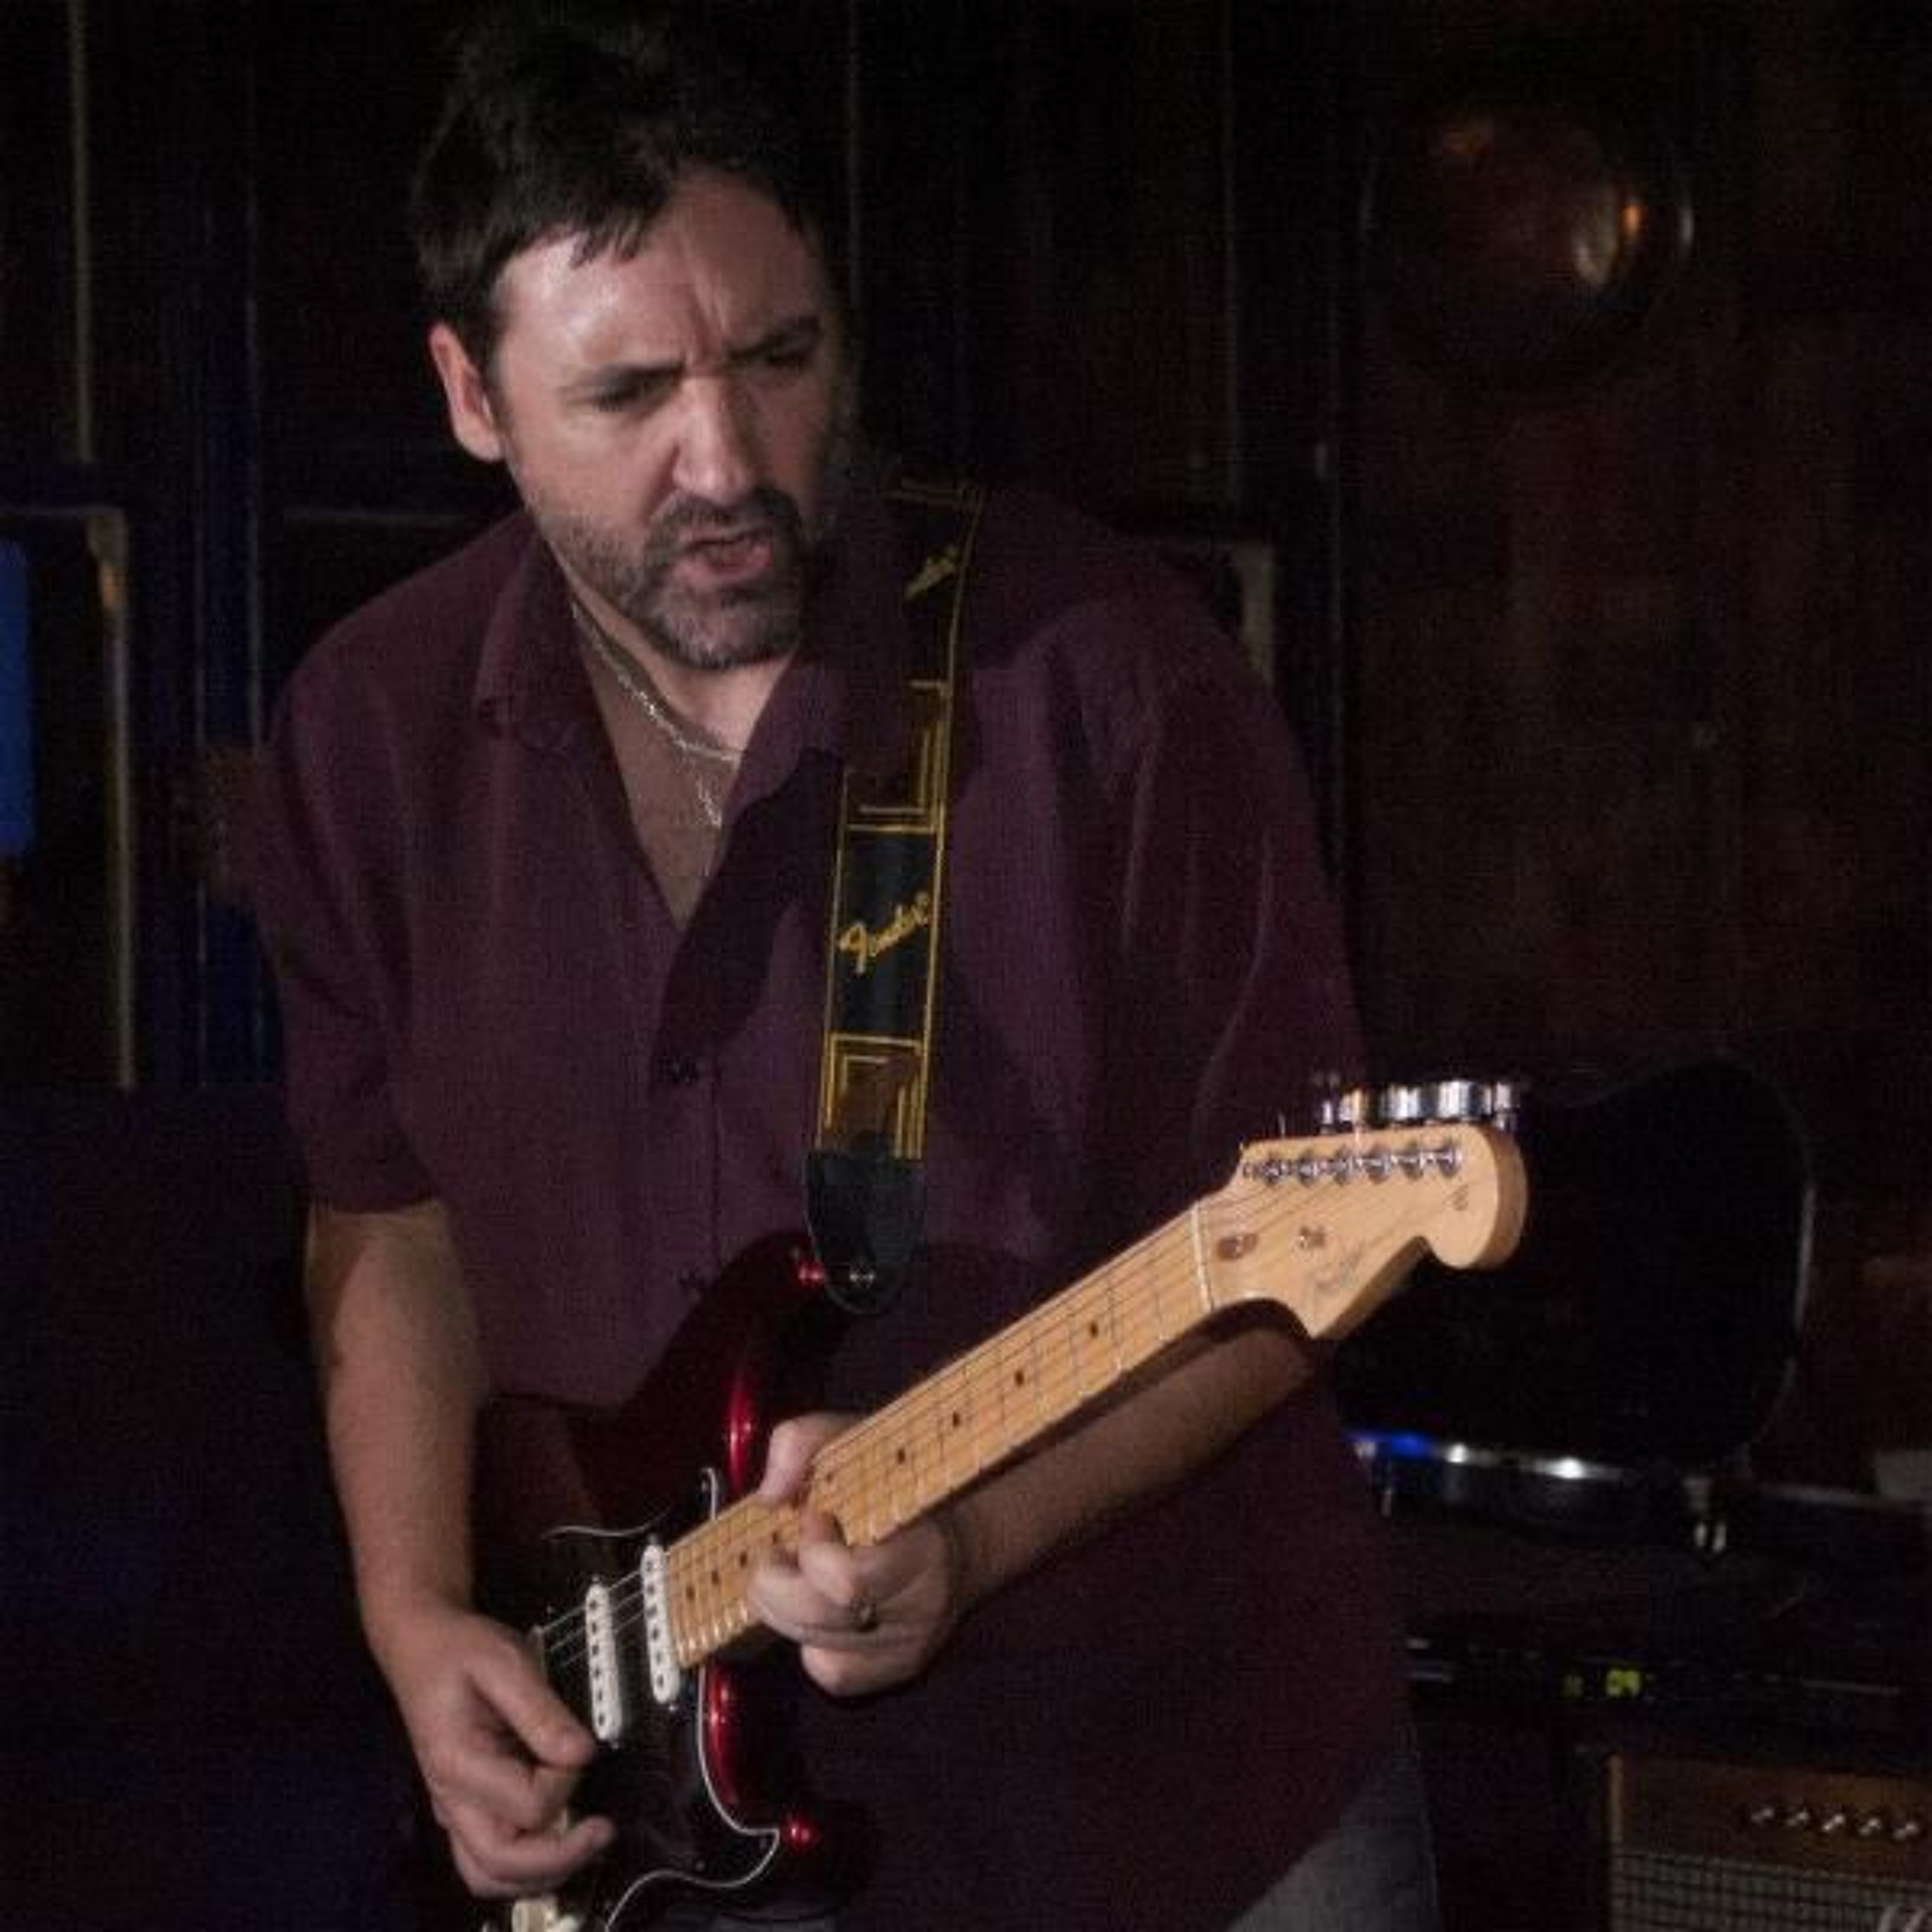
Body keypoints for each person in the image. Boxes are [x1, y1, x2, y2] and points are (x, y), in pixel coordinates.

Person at [249, 3, 1437, 1926]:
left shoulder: (1108, 678)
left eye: (781, 358)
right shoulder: (368, 732)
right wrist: (413, 1612)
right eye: (626, 394)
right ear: (472, 395)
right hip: (665, 1807)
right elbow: (386, 1220)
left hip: (1178, 1785)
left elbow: (1296, 1253)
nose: (727, 459)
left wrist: (973, 1539)